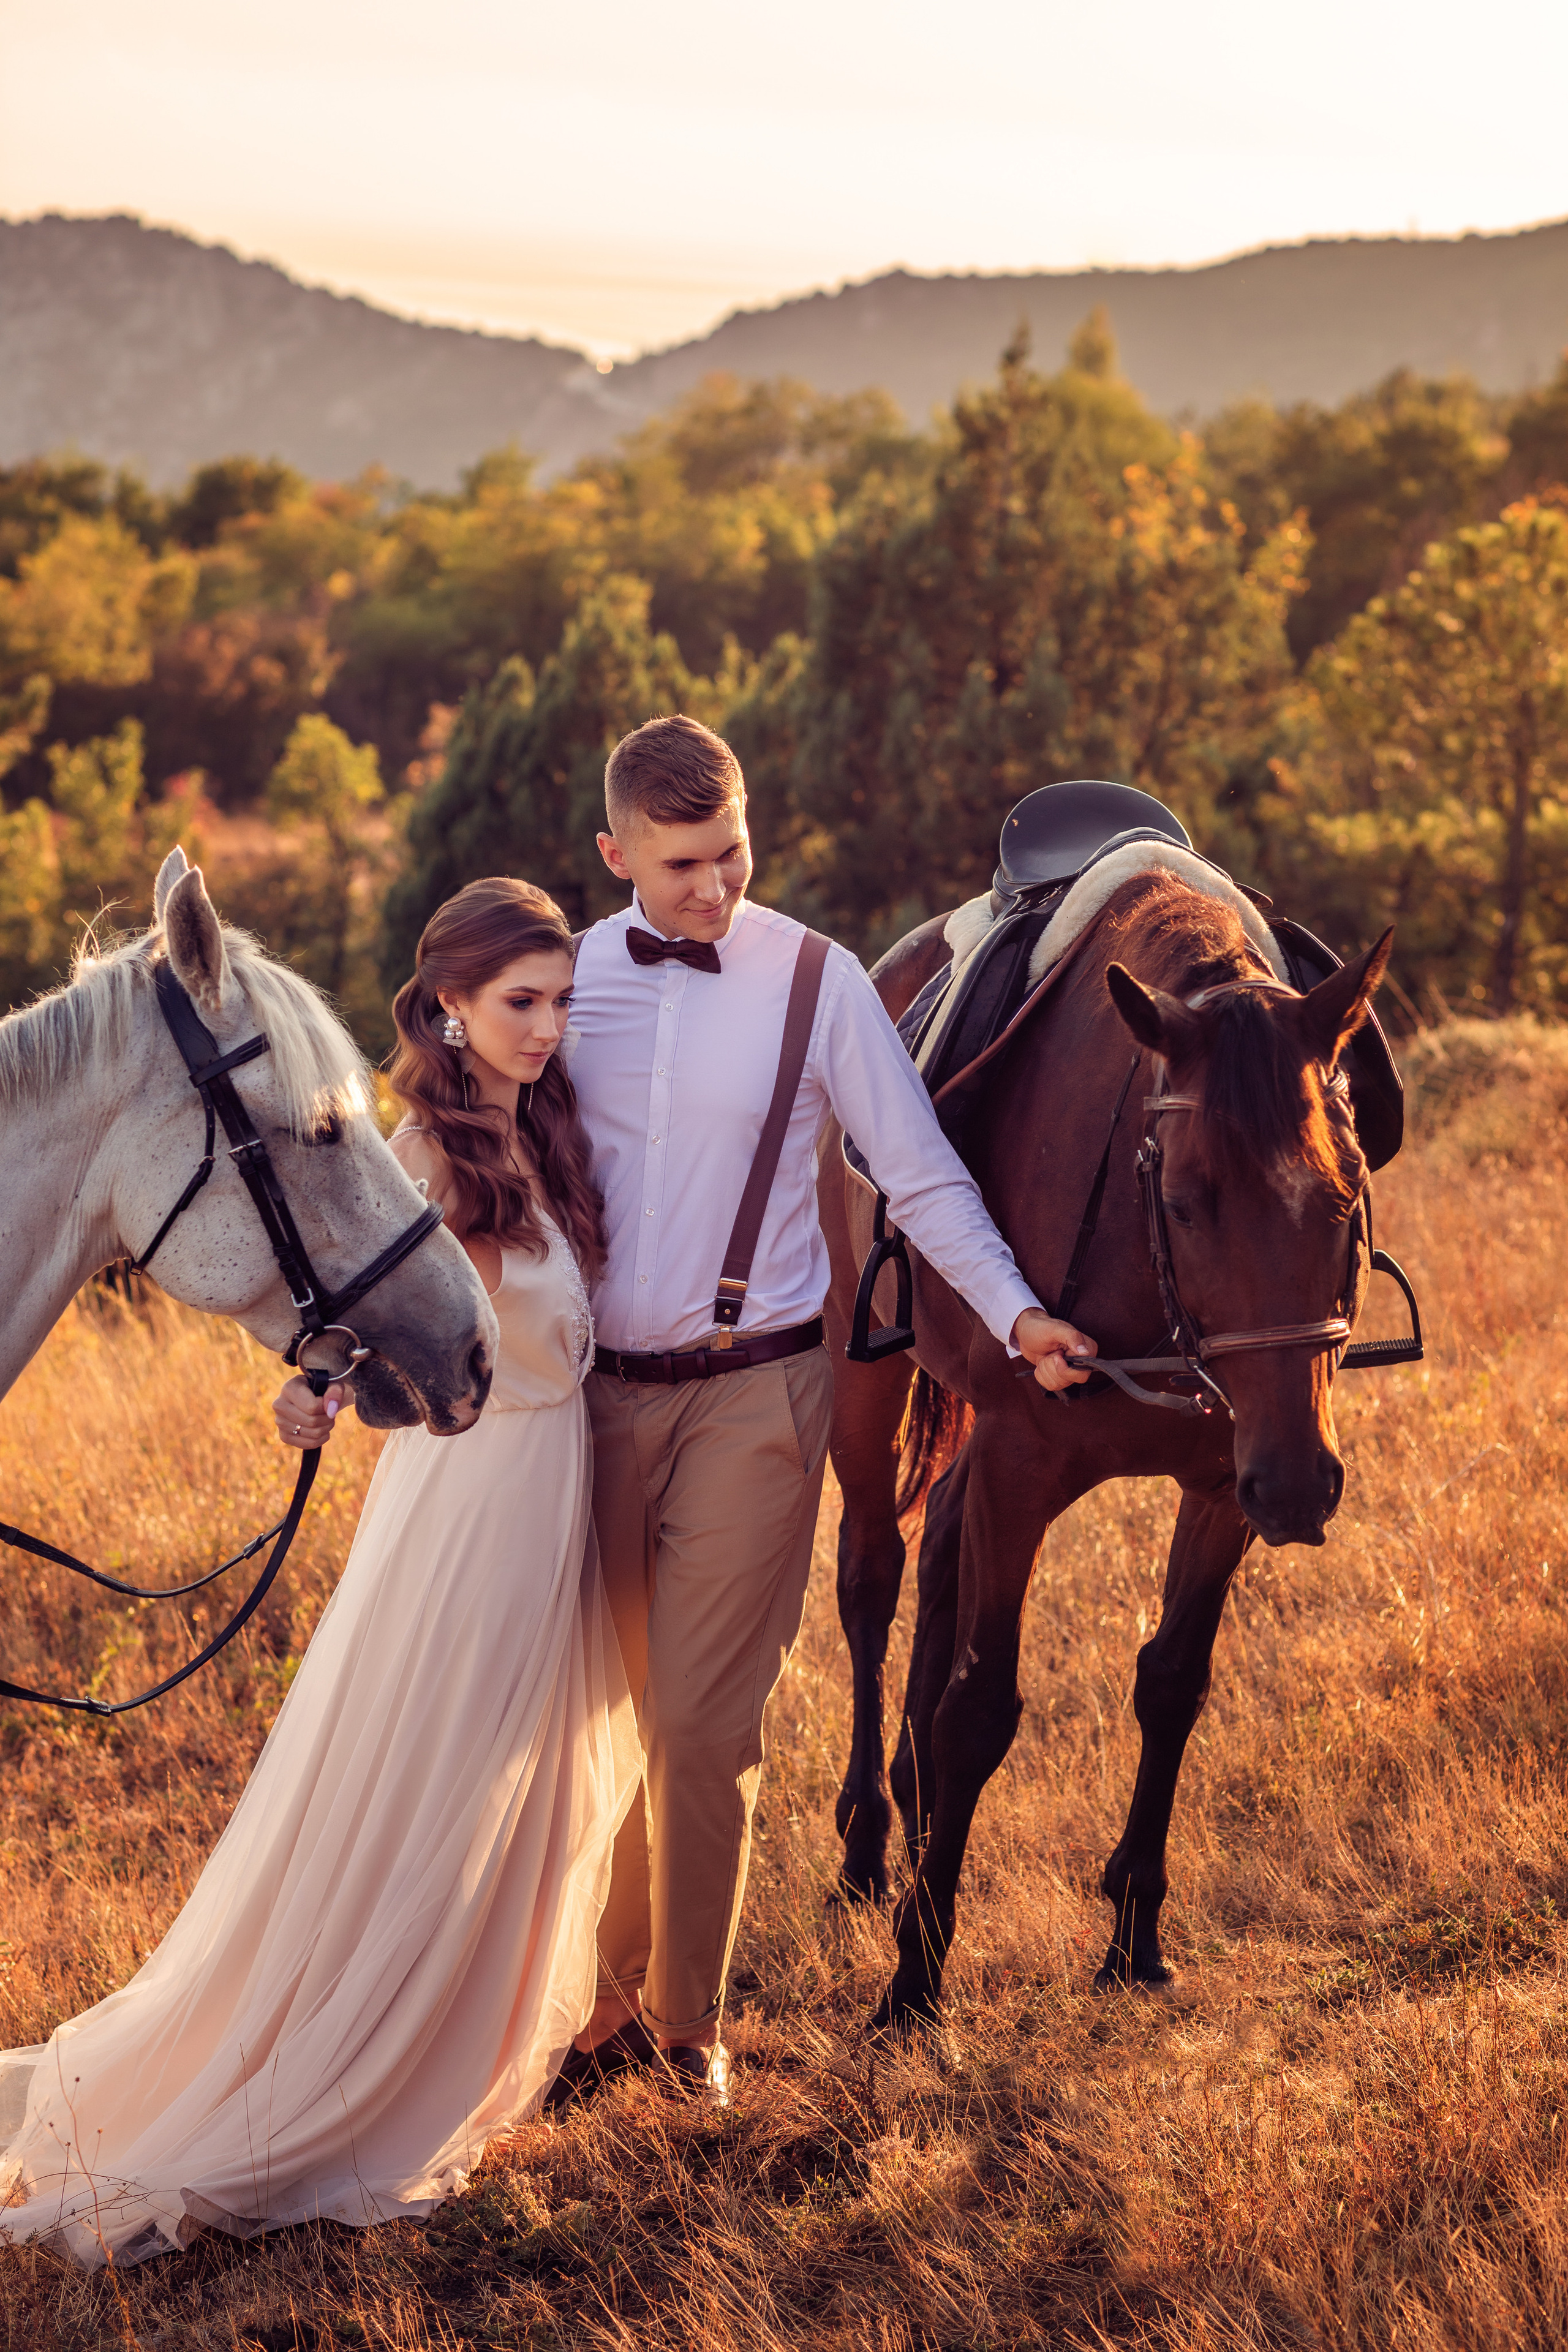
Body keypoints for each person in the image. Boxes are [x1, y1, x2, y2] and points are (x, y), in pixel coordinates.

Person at [0, 879, 638, 2267]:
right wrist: (308, 1398)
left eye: (558, 999)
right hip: (467, 1512)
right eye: (519, 1002)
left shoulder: (559, 1137)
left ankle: (463, 2038)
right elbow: (339, 1306)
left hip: (551, 1498)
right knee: (423, 1780)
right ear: (452, 1013)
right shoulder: (415, 1148)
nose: (547, 1026)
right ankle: (344, 2071)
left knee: (513, 1789)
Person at [557, 717, 1097, 2102]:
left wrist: (1017, 1310)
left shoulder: (818, 979)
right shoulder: (560, 986)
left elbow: (915, 1174)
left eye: (732, 852)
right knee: (592, 1715)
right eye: (681, 866)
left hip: (756, 1395)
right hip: (582, 1406)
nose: (715, 890)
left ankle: (683, 2031)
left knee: (706, 1723)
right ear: (616, 854)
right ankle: (593, 2009)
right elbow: (438, 1164)